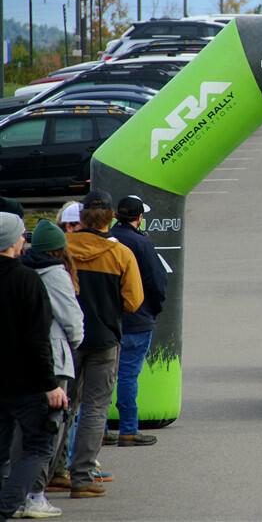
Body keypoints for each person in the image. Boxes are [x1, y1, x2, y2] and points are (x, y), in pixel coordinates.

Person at [65, 190, 143, 498]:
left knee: (63, 406)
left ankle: (55, 470)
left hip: (67, 341)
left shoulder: (64, 249)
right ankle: (82, 475)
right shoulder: (121, 254)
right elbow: (134, 301)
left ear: (81, 218)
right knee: (95, 407)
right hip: (104, 337)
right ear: (110, 217)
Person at [0, 212, 69, 520]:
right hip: (26, 381)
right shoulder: (26, 279)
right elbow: (37, 338)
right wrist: (51, 384)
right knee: (39, 445)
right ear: (14, 241)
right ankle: (6, 505)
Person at [15, 219, 84, 518]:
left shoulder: (21, 269)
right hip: (53, 359)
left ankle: (15, 493)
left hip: (22, 359)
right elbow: (71, 318)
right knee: (49, 429)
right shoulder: (55, 274)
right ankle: (34, 495)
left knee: (21, 431)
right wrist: (76, 342)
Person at [111, 196, 168, 448]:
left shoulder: (107, 240)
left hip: (105, 321)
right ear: (139, 218)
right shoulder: (141, 243)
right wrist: (153, 309)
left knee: (98, 379)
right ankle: (128, 429)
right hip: (137, 319)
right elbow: (157, 282)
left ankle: (98, 428)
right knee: (127, 376)